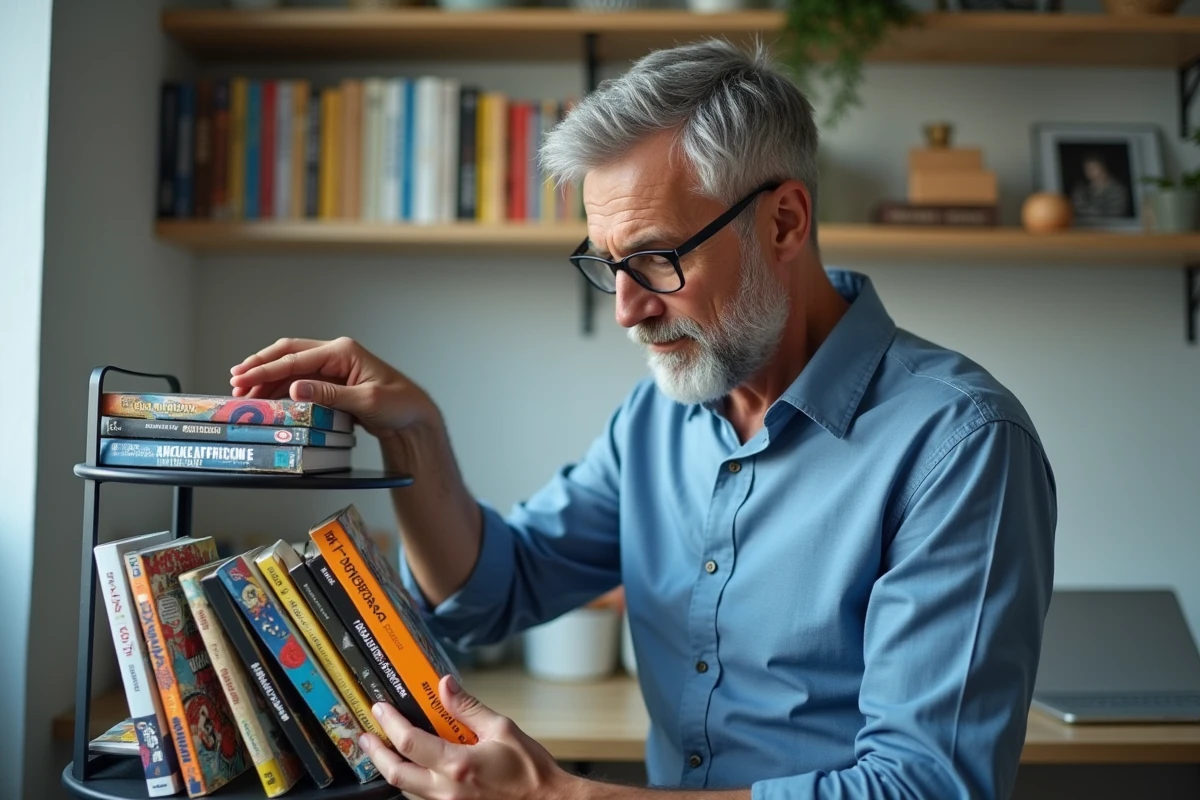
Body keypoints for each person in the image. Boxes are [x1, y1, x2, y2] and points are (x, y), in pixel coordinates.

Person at [229, 39, 1057, 800]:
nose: (627, 308)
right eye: (606, 263)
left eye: (657, 258)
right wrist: (416, 437)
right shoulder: (659, 419)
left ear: (785, 222)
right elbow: (489, 595)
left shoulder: (961, 444)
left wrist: (564, 796)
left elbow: (926, 787)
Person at [1070, 151, 1129, 218]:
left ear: (1103, 167)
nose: (1090, 171)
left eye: (1094, 168)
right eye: (1087, 168)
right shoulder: (1081, 188)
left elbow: (1116, 213)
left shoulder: (1117, 189)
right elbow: (1076, 209)